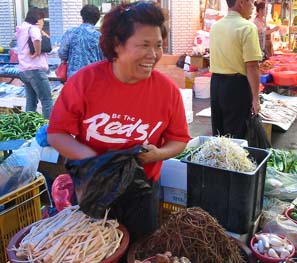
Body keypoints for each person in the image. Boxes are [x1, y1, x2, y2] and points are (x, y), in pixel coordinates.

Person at [47, 1, 190, 242]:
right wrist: (96, 160)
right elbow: (57, 134)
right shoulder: (85, 82)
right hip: (93, 186)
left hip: (141, 192)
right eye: (144, 45)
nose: (153, 55)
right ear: (117, 44)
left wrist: (157, 154)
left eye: (158, 45)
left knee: (138, 248)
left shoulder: (167, 91)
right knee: (92, 250)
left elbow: (178, 140)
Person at [209, 0, 262, 139]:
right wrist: (256, 99)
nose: (253, 6)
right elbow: (252, 66)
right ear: (241, 3)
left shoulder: (216, 26)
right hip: (236, 86)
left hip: (216, 84)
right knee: (236, 132)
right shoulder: (247, 27)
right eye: (251, 2)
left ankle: (219, 160)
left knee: (219, 131)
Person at [15, 7, 53, 119]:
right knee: (46, 100)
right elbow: (36, 39)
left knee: (31, 102)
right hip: (35, 69)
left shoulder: (22, 29)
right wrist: (37, 52)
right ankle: (49, 129)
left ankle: (28, 125)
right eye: (42, 19)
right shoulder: (33, 28)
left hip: (24, 70)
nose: (43, 22)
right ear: (37, 19)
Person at [58, 4, 103, 79]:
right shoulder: (99, 36)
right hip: (93, 76)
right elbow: (104, 58)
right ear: (97, 19)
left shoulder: (71, 32)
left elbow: (62, 53)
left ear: (82, 17)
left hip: (74, 76)